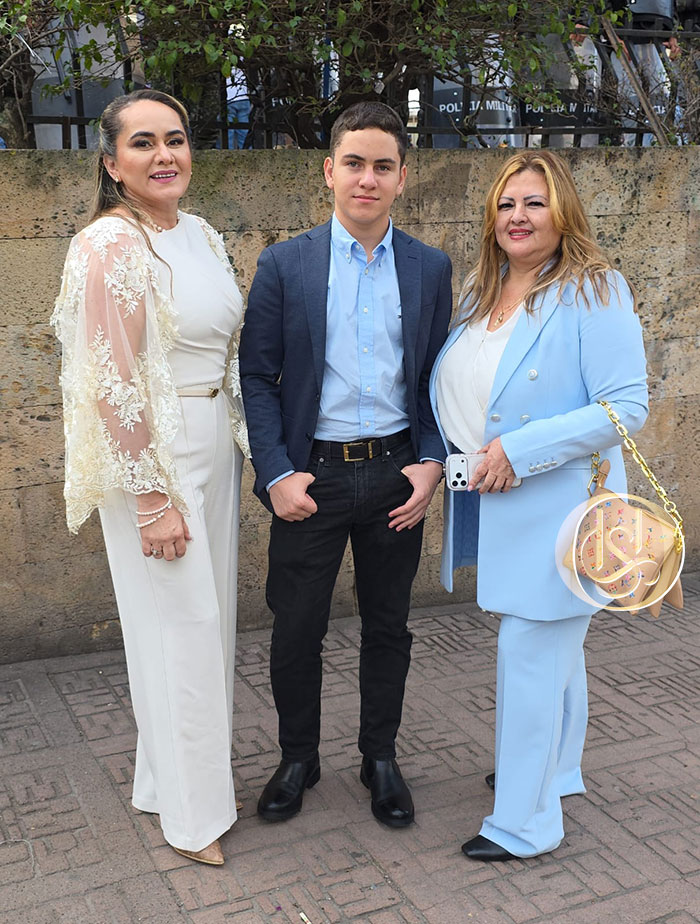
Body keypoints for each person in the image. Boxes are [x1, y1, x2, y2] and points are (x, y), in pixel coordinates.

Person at [429, 150, 648, 860]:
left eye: (533, 202)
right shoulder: (482, 289)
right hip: (497, 500)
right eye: (505, 204)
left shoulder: (594, 288)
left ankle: (525, 824)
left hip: (559, 505)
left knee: (530, 654)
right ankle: (556, 771)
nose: (517, 217)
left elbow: (625, 407)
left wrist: (520, 450)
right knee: (556, 651)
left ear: (563, 211)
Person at [239, 101, 451, 828]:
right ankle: (298, 757)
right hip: (313, 478)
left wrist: (432, 460)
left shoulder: (429, 267)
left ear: (402, 178)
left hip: (396, 475)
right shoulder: (285, 263)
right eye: (354, 163)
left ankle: (379, 758)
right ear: (329, 171)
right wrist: (276, 472)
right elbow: (256, 376)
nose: (368, 179)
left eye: (383, 166)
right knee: (296, 628)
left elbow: (438, 379)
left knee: (389, 626)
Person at [51, 89, 248, 866]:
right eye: (143, 143)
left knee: (206, 628)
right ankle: (194, 821)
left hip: (214, 444)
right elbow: (112, 379)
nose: (164, 155)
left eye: (175, 138)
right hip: (157, 458)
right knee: (181, 632)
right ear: (111, 163)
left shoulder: (200, 233)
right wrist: (151, 497)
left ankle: (167, 784)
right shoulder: (109, 244)